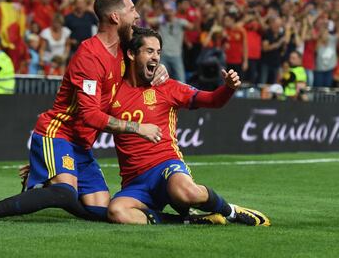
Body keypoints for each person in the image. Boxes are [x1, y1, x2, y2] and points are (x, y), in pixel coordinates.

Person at [0, 0, 168, 224]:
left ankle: (46, 177)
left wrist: (160, 66)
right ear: (115, 17)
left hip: (81, 144)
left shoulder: (125, 47)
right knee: (64, 193)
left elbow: (148, 46)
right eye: (132, 9)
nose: (137, 15)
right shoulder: (90, 56)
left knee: (103, 211)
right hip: (57, 133)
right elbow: (90, 115)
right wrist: (138, 128)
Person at [107, 27, 270, 226]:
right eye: (149, 51)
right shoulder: (113, 90)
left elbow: (211, 100)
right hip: (135, 181)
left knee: (187, 193)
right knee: (117, 211)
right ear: (132, 54)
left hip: (165, 165)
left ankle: (231, 212)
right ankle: (188, 221)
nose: (156, 57)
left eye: (158, 52)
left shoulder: (167, 87)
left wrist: (227, 88)